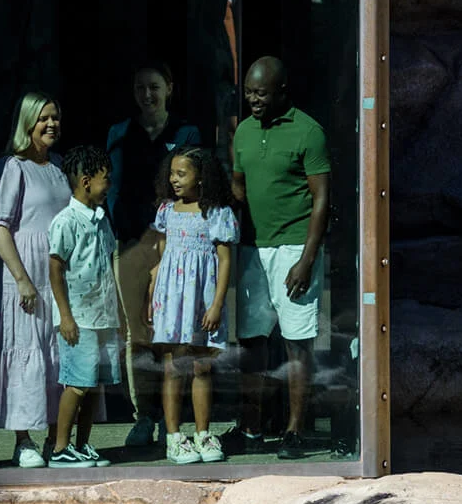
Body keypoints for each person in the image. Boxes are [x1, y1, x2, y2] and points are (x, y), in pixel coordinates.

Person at [229, 56, 331, 460]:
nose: (253, 100)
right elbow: (238, 186)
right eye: (250, 92)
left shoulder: (309, 131)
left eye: (261, 93)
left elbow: (322, 198)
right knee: (252, 341)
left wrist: (306, 259)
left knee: (296, 343)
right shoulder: (244, 132)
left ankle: (294, 429)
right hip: (255, 247)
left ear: (281, 92)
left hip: (293, 247)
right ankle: (250, 427)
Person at [105, 63, 202, 448]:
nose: (148, 94)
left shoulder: (186, 133)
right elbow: (110, 190)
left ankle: (174, 419)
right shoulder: (118, 134)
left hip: (175, 247)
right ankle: (144, 416)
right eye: (141, 87)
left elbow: (192, 188)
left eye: (155, 87)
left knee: (174, 333)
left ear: (170, 89)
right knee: (137, 335)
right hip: (130, 244)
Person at [0, 92, 68, 468]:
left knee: (57, 353)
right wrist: (23, 279)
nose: (51, 125)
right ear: (27, 123)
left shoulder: (60, 166)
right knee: (25, 348)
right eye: (44, 118)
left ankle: (54, 438)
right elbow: (0, 230)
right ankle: (23, 439)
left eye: (56, 118)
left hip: (58, 273)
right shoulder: (12, 168)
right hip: (25, 272)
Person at [147, 147, 238, 465]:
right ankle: (173, 437)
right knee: (174, 367)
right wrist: (153, 292)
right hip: (172, 300)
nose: (174, 179)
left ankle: (202, 434)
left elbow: (225, 261)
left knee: (202, 366)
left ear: (202, 177)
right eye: (172, 173)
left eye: (181, 173)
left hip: (203, 300)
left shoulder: (217, 212)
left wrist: (216, 304)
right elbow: (162, 255)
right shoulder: (167, 210)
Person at [45, 145, 121, 468]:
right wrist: (65, 316)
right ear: (87, 181)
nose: (110, 186)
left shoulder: (102, 220)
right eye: (106, 180)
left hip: (103, 316)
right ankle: (61, 448)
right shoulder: (66, 221)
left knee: (94, 387)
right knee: (76, 384)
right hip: (79, 319)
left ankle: (82, 444)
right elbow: (55, 268)